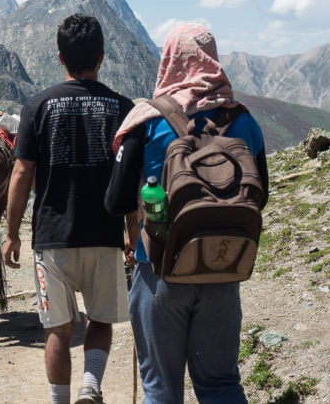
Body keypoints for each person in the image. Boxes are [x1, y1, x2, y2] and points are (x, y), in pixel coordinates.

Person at [105, 23, 269, 404]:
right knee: (221, 384)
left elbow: (114, 201)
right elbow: (260, 197)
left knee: (161, 389)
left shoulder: (146, 121)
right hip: (224, 266)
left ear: (170, 60)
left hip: (159, 269)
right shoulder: (245, 121)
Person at [4, 13, 135, 404]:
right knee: (99, 320)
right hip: (106, 235)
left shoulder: (38, 105)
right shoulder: (122, 107)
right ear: (103, 56)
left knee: (58, 330)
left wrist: (12, 233)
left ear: (60, 56)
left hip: (52, 238)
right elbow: (130, 178)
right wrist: (133, 231)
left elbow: (22, 172)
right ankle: (91, 387)